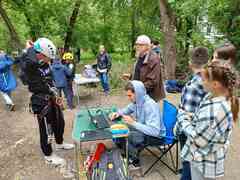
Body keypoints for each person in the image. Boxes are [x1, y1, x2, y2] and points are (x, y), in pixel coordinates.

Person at [175, 62, 239, 180]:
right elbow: (203, 119)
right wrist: (192, 115)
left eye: (203, 80)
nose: (200, 82)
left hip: (203, 161)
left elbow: (199, 140)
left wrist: (182, 118)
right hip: (202, 155)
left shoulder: (216, 110)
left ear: (215, 84)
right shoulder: (212, 96)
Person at [22, 38, 74, 166]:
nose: (49, 61)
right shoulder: (30, 64)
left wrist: (55, 93)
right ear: (40, 54)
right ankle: (48, 155)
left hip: (51, 95)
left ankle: (60, 143)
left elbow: (49, 78)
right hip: (40, 100)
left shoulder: (43, 62)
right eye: (47, 57)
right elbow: (28, 59)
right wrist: (30, 49)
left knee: (59, 122)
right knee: (46, 128)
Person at [110, 80, 166, 168]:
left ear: (137, 93)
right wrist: (118, 113)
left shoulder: (150, 106)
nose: (129, 98)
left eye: (130, 95)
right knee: (120, 129)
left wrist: (133, 123)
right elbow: (126, 110)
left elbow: (155, 131)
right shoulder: (137, 101)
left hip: (156, 137)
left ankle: (134, 160)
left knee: (124, 134)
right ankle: (128, 151)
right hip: (145, 130)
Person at [177, 47, 209, 180]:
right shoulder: (210, 80)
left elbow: (186, 116)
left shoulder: (193, 86)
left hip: (191, 134)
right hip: (203, 132)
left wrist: (179, 115)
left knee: (188, 166)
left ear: (190, 63)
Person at [123, 35, 165, 102]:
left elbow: (152, 82)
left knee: (147, 112)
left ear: (147, 46)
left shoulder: (154, 59)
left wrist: (135, 88)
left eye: (140, 45)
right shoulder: (140, 56)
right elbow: (140, 73)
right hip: (139, 93)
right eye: (136, 44)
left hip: (150, 96)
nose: (137, 47)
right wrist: (131, 76)